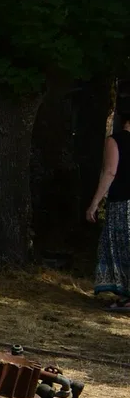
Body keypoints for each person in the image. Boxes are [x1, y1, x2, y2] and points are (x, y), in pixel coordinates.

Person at [87, 110, 130, 311]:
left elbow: (110, 171)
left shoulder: (116, 140)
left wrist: (95, 203)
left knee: (122, 248)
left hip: (123, 205)